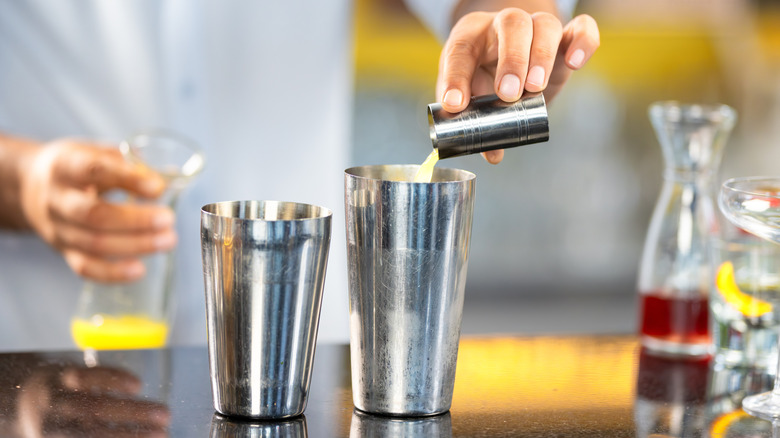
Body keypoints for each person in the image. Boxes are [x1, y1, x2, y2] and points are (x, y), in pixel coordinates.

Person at [0, 0, 599, 350]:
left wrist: (512, 29)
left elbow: (490, 6)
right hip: (44, 363)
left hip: (304, 368)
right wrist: (20, 181)